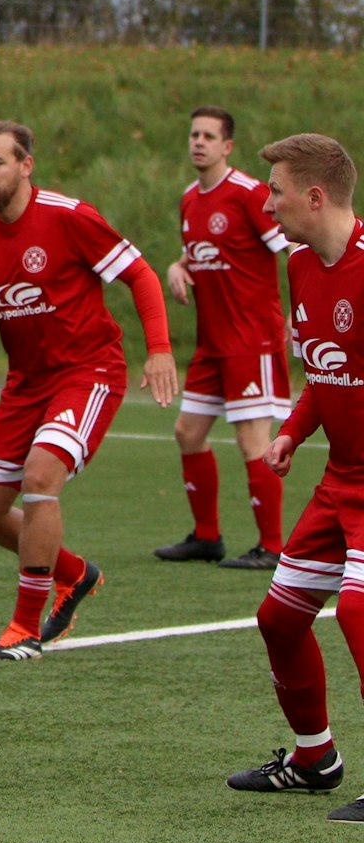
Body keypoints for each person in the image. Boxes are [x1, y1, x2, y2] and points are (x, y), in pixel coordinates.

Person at [0, 121, 176, 661]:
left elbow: (140, 275)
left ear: (25, 166)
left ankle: (24, 627)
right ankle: (73, 573)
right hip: (26, 384)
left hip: (87, 372)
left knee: (40, 476)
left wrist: (158, 348)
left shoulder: (69, 217)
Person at [227, 133, 363, 819]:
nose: (266, 201)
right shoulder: (304, 265)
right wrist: (291, 430)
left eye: (275, 189)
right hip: (341, 480)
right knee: (279, 617)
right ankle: (315, 759)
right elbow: (324, 370)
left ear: (314, 196)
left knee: (361, 613)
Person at [156, 107, 291, 569]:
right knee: (187, 432)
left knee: (254, 441)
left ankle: (273, 547)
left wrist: (299, 312)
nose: (198, 142)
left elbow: (292, 247)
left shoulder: (250, 194)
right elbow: (193, 254)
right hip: (211, 345)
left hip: (252, 340)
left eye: (209, 136)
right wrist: (177, 267)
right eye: (194, 134)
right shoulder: (191, 199)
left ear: (226, 146)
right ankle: (207, 537)